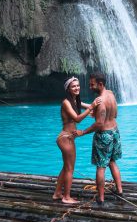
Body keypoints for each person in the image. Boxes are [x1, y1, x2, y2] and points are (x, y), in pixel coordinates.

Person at [74, 72, 123, 205]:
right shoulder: (111, 94)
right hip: (115, 132)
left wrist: (83, 132)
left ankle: (100, 197)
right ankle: (119, 190)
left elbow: (99, 123)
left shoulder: (101, 102)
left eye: (92, 85)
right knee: (112, 161)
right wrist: (83, 105)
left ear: (100, 84)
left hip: (104, 136)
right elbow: (115, 114)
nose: (90, 87)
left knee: (101, 167)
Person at [53, 76, 101, 204]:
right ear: (68, 89)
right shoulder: (66, 102)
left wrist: (94, 108)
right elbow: (77, 118)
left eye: (78, 85)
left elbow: (90, 106)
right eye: (73, 86)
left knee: (66, 167)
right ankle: (66, 197)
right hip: (65, 138)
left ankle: (58, 193)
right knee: (70, 169)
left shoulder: (75, 101)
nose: (76, 88)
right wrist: (91, 109)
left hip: (69, 137)